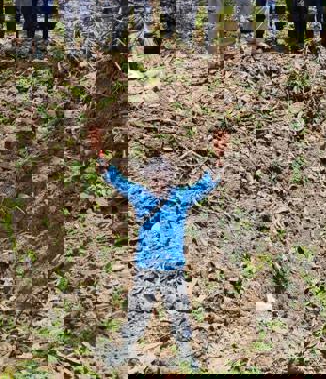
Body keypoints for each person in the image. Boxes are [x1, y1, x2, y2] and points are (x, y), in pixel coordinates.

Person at [94, 129, 230, 371]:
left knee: (179, 315)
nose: (158, 182)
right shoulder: (140, 195)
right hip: (146, 268)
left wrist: (219, 159)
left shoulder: (180, 197)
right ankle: (118, 357)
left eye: (163, 177)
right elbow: (116, 180)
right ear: (148, 179)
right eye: (154, 178)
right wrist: (102, 159)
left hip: (172, 269)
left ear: (170, 179)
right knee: (138, 315)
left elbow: (207, 185)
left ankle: (187, 359)